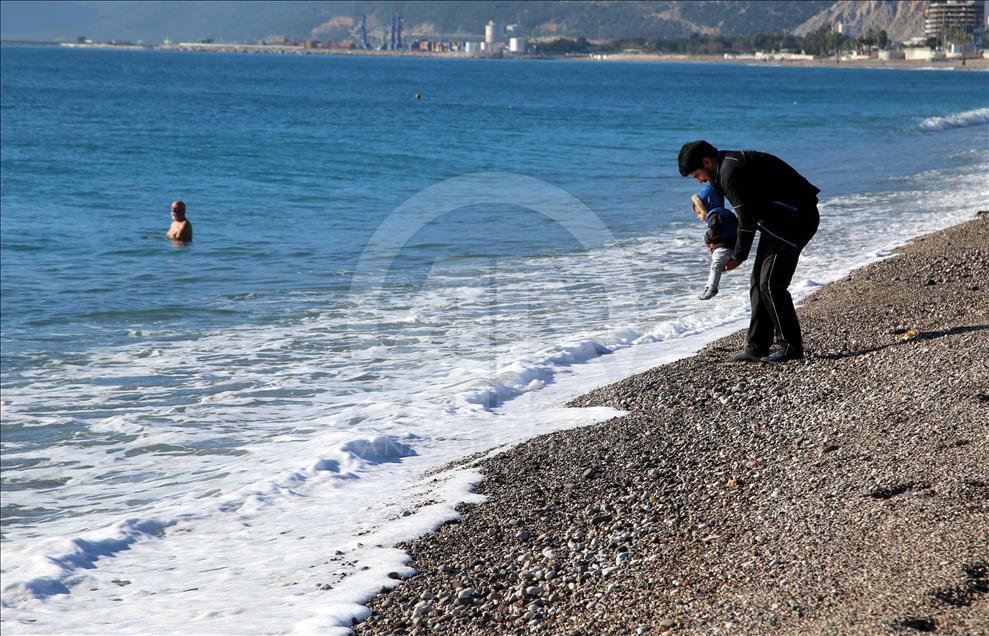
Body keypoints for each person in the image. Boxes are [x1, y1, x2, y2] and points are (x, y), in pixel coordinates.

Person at [678, 141, 820, 363]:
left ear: (707, 162)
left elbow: (746, 220)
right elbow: (727, 217)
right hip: (777, 223)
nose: (699, 180)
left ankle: (791, 347)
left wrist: (738, 257)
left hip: (796, 219)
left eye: (697, 175)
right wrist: (719, 242)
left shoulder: (730, 171)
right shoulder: (723, 169)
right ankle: (757, 347)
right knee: (758, 283)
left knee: (771, 283)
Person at [691, 183, 737, 300]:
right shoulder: (721, 214)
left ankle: (712, 288)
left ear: (706, 206)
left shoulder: (715, 215)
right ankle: (709, 287)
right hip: (727, 246)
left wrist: (706, 239)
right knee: (715, 266)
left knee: (716, 265)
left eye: (699, 213)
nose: (698, 217)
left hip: (725, 247)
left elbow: (714, 230)